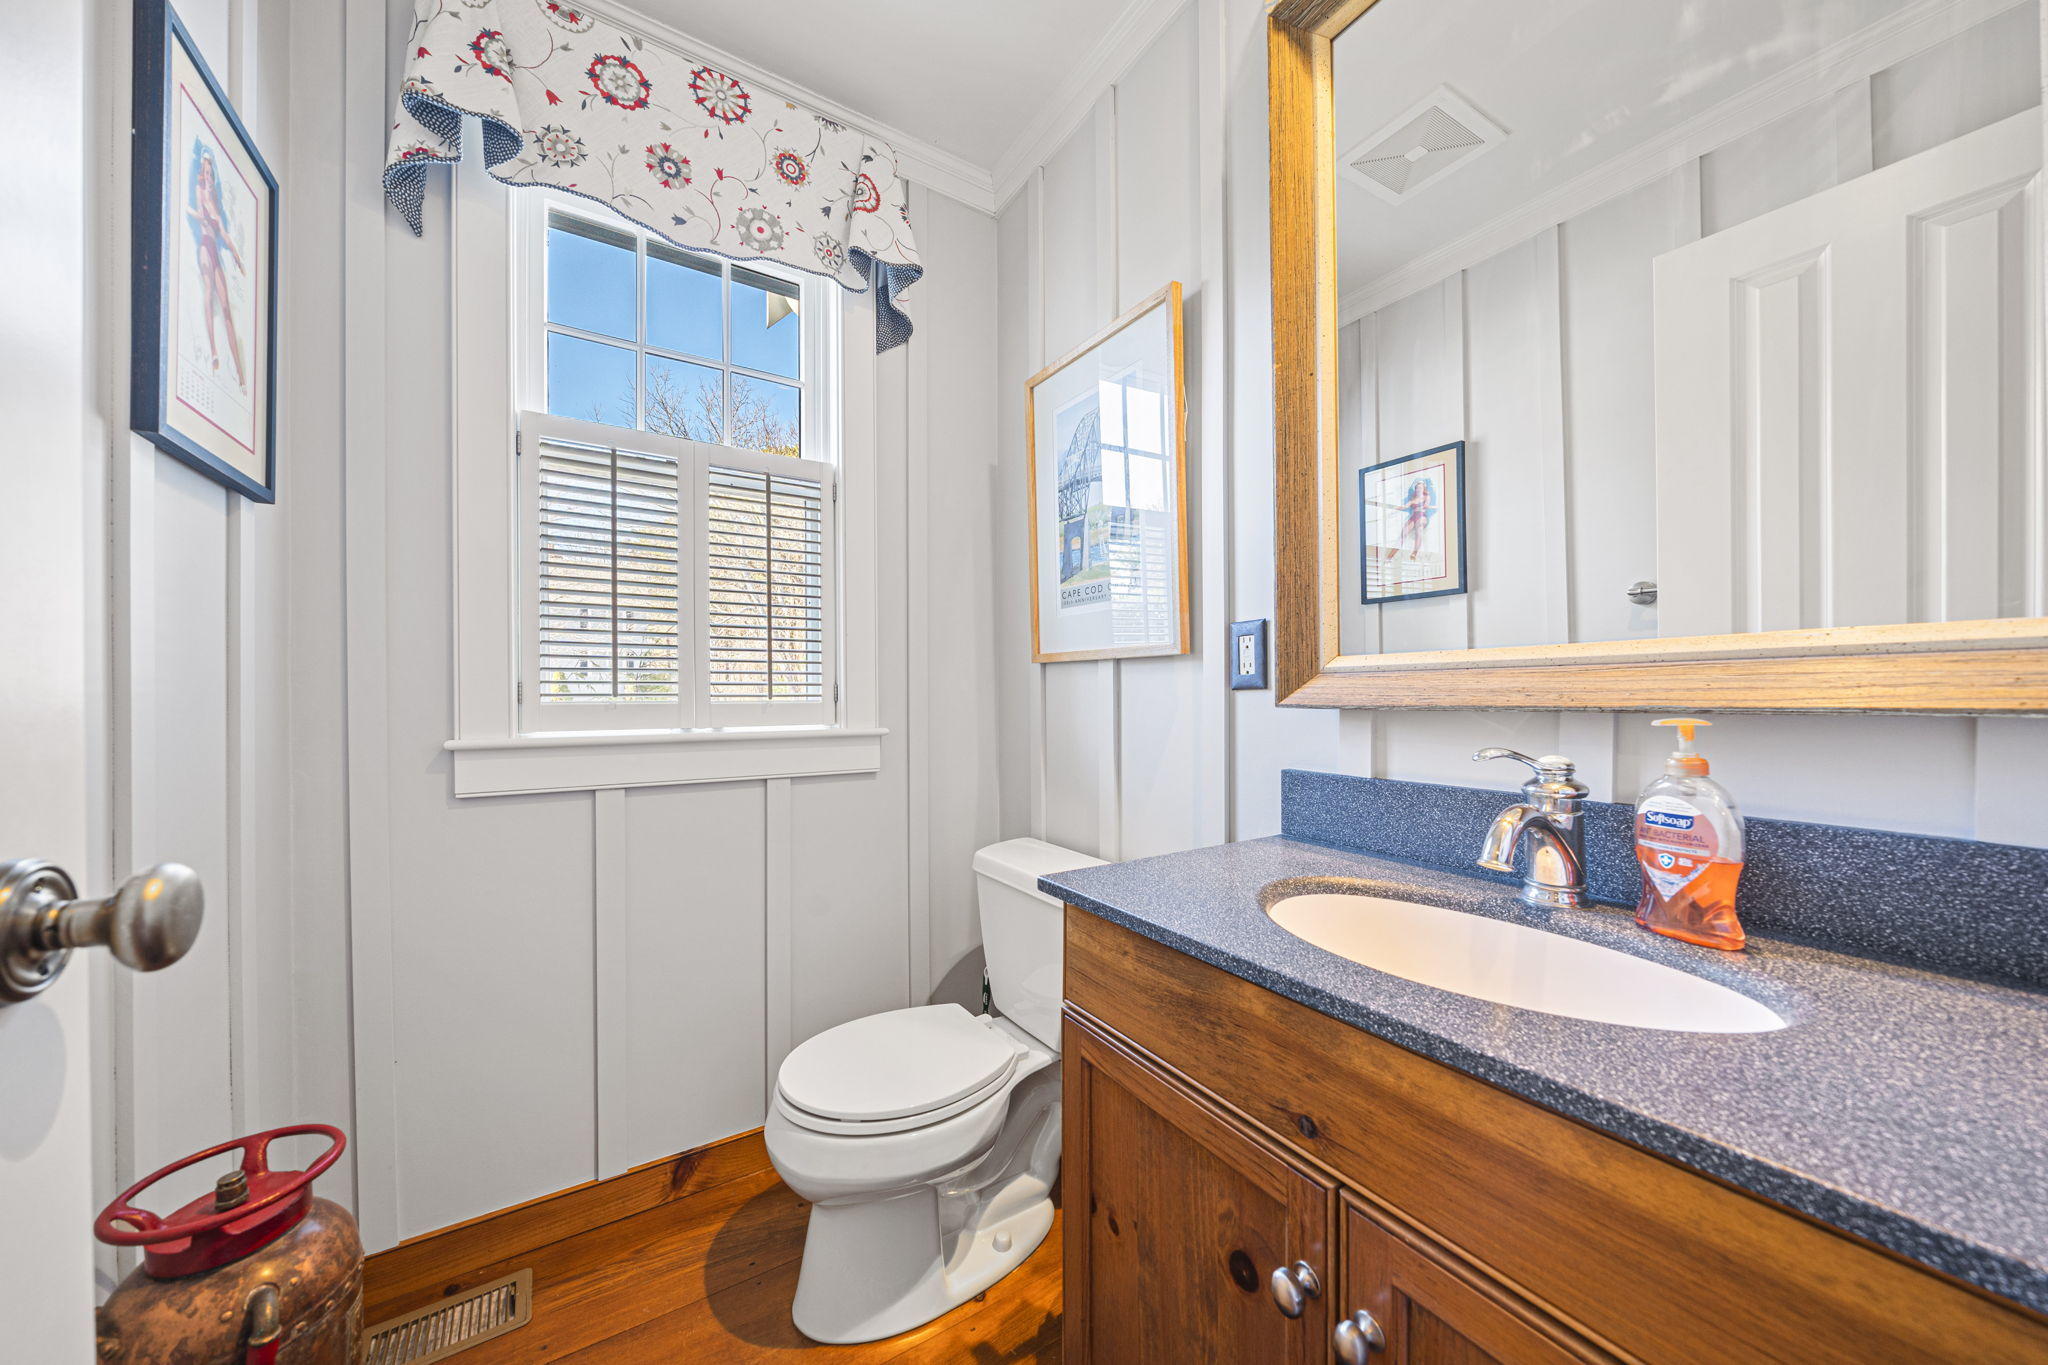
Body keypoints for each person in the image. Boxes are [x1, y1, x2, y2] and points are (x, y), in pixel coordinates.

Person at [186, 142, 248, 391]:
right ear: (202, 173)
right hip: (204, 245)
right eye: (206, 173)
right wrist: (201, 217)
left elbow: (224, 232)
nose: (209, 177)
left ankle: (242, 377)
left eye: (211, 174)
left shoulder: (216, 205)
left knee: (226, 307)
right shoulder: (200, 194)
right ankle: (213, 351)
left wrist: (237, 256)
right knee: (209, 292)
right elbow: (189, 209)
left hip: (215, 247)